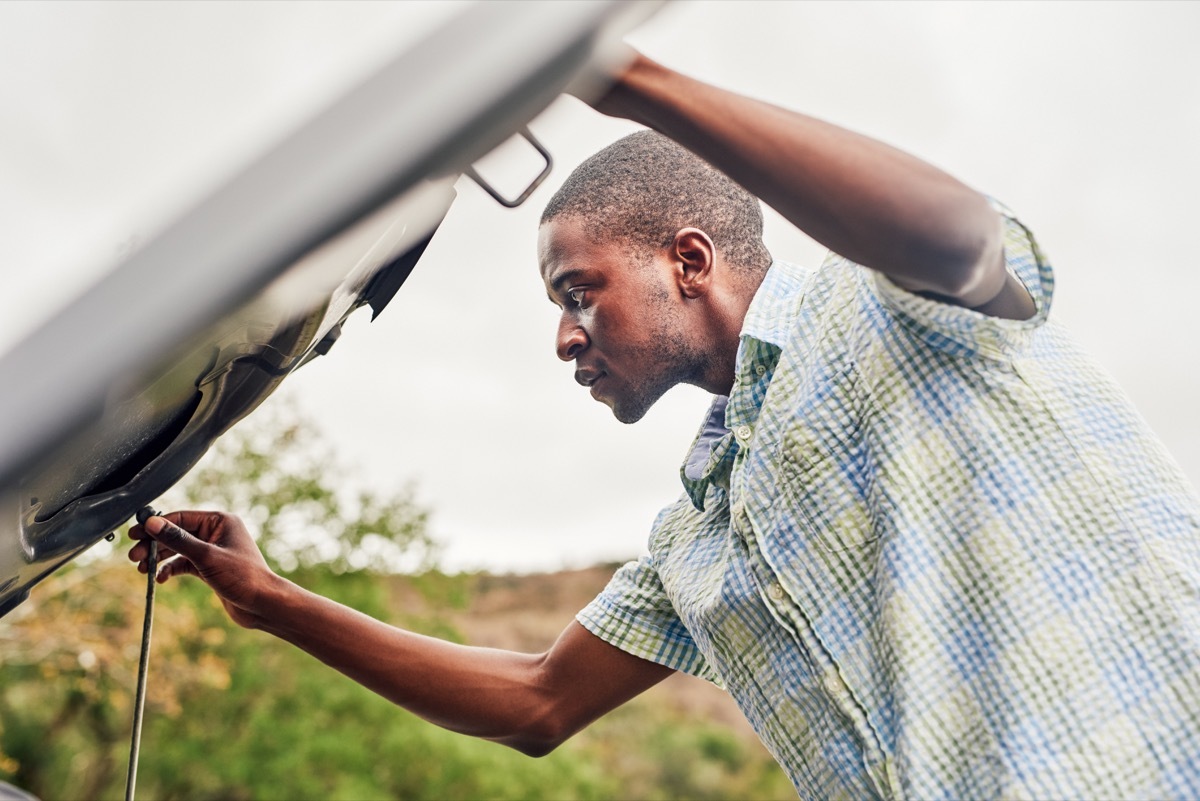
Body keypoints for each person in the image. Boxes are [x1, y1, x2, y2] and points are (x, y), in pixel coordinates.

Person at [130, 50, 1200, 800]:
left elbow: (965, 240)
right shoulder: (698, 533)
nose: (565, 337)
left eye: (578, 291)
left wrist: (618, 76)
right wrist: (266, 601)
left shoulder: (886, 303)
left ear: (689, 261)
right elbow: (538, 702)